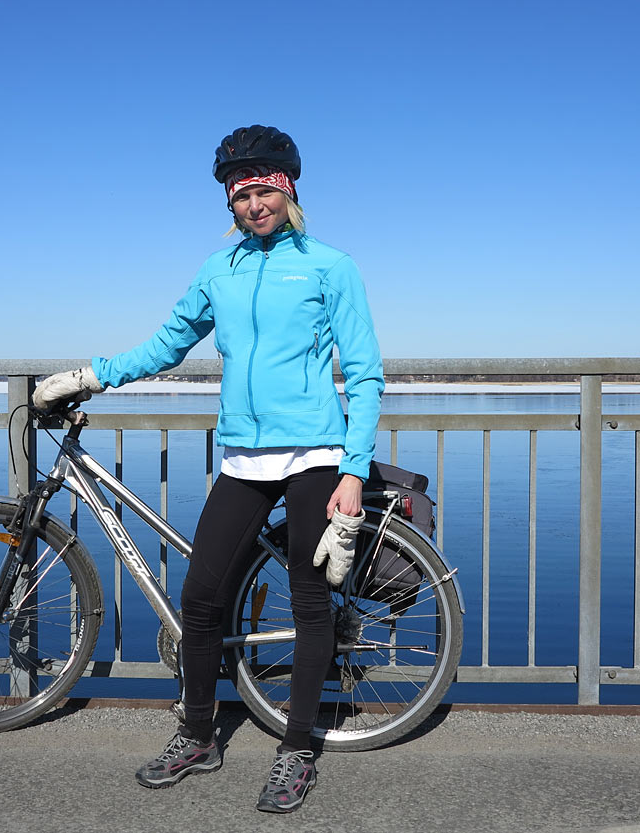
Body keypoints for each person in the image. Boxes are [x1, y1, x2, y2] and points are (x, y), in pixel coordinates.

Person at [33, 124, 384, 813]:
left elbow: (366, 374)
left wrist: (353, 470)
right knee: (200, 598)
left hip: (315, 455)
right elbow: (167, 344)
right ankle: (198, 735)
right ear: (230, 202)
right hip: (244, 457)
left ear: (288, 192)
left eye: (265, 192)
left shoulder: (329, 266)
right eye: (241, 195)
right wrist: (92, 375)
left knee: (310, 604)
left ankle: (297, 750)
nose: (254, 205)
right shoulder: (218, 270)